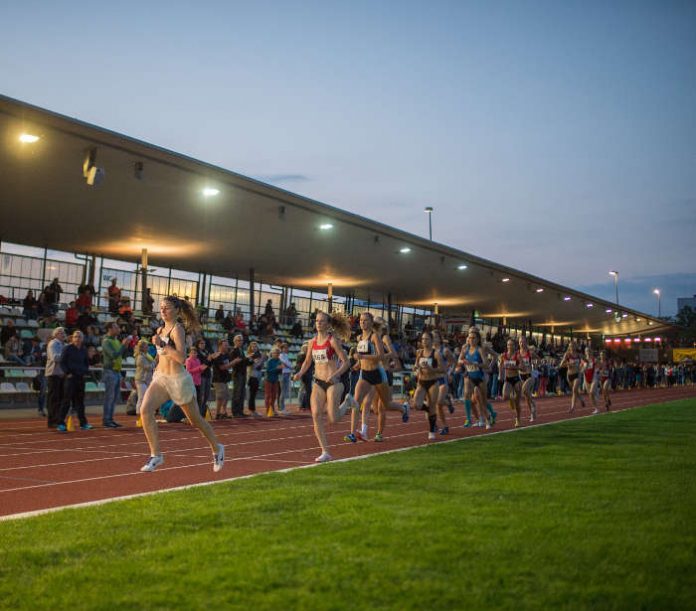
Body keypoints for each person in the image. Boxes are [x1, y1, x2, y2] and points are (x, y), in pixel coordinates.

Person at [139, 296, 224, 473]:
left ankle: (217, 448)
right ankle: (156, 455)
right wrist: (156, 359)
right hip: (161, 378)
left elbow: (181, 358)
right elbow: (161, 355)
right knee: (145, 410)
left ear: (177, 311)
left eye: (167, 308)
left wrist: (163, 345)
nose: (163, 311)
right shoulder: (160, 328)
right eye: (161, 307)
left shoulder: (177, 330)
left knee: (196, 420)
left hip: (178, 380)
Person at [293, 311, 353, 462]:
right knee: (316, 415)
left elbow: (346, 362)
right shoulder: (312, 342)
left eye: (321, 321)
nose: (318, 323)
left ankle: (347, 402)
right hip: (318, 382)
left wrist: (336, 374)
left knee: (333, 419)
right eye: (317, 321)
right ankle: (325, 451)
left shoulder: (333, 341)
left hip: (333, 382)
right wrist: (300, 373)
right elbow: (307, 362)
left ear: (328, 324)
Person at [345, 312, 409, 443]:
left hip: (378, 373)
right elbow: (362, 355)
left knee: (386, 404)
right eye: (361, 320)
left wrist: (363, 358)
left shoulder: (374, 337)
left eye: (366, 320)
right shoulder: (359, 338)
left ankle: (403, 408)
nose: (363, 322)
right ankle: (352, 433)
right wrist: (358, 364)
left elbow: (380, 356)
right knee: (356, 402)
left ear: (371, 323)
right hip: (364, 374)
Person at [457, 326, 497, 429]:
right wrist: (463, 363)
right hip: (470, 375)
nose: (471, 338)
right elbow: (459, 360)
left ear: (478, 337)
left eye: (473, 335)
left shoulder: (482, 348)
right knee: (467, 395)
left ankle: (488, 417)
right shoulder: (465, 347)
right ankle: (470, 419)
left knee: (481, 399)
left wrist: (488, 368)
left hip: (481, 375)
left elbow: (492, 358)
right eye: (470, 336)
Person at [412, 331, 445, 440]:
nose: (424, 341)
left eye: (426, 339)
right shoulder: (420, 353)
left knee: (432, 405)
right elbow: (416, 365)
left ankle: (431, 431)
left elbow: (442, 369)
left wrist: (432, 369)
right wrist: (416, 368)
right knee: (416, 404)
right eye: (422, 339)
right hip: (422, 382)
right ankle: (428, 409)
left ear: (431, 341)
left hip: (432, 382)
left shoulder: (436, 353)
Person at [56, 330, 92, 431]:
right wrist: (68, 373)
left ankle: (83, 423)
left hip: (80, 378)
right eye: (75, 337)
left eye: (79, 337)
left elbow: (86, 363)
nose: (77, 339)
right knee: (66, 401)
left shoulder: (84, 350)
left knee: (80, 402)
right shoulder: (67, 348)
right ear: (72, 338)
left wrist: (84, 372)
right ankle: (61, 423)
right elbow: (62, 362)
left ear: (82, 339)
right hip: (70, 379)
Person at [45, 327, 66, 429]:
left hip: (61, 375)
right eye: (61, 333)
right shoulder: (53, 344)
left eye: (64, 333)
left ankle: (58, 419)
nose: (64, 334)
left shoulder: (62, 345)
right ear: (56, 334)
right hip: (53, 374)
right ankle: (52, 421)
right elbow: (55, 357)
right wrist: (66, 354)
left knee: (60, 398)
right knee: (53, 399)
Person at [499, 339, 523, 428]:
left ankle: (518, 420)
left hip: (516, 379)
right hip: (508, 378)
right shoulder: (503, 355)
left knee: (517, 402)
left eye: (512, 345)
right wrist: (500, 375)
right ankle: (511, 398)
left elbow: (523, 367)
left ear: (514, 346)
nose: (510, 346)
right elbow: (501, 365)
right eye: (508, 345)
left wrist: (515, 367)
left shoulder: (517, 355)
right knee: (505, 396)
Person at [559, 340, 585, 414]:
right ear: (569, 347)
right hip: (569, 375)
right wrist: (568, 364)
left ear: (576, 347)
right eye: (571, 346)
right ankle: (581, 399)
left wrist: (583, 368)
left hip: (577, 374)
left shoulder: (579, 355)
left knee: (574, 390)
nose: (572, 347)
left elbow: (587, 361)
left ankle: (572, 407)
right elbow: (561, 365)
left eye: (573, 346)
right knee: (575, 390)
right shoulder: (567, 354)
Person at [518, 336, 538, 423]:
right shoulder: (517, 353)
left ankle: (533, 404)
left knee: (524, 390)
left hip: (530, 375)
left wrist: (535, 367)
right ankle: (532, 413)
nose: (522, 344)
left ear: (526, 343)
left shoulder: (530, 353)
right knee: (526, 396)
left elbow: (539, 359)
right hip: (521, 376)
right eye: (520, 342)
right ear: (518, 343)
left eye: (523, 342)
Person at [211, 339, 232, 419]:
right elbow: (222, 367)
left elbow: (227, 366)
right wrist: (234, 362)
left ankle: (223, 412)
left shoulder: (226, 355)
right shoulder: (217, 355)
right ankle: (217, 413)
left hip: (224, 379)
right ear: (220, 346)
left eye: (227, 345)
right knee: (220, 396)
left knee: (226, 396)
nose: (227, 346)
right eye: (225, 345)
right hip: (218, 379)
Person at [133, 339, 154, 416]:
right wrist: (155, 362)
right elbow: (148, 367)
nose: (148, 347)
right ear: (142, 348)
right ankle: (139, 415)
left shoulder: (147, 355)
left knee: (147, 398)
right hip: (141, 380)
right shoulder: (140, 357)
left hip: (147, 379)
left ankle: (146, 413)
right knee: (141, 398)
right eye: (146, 346)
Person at [185, 347, 208, 417]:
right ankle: (191, 414)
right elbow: (188, 371)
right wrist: (199, 368)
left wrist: (202, 369)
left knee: (199, 398)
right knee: (192, 399)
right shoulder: (188, 360)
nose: (194, 354)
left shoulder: (198, 360)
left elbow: (199, 371)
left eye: (195, 353)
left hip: (198, 382)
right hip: (191, 382)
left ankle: (198, 414)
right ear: (189, 354)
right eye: (192, 353)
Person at [229, 334, 248, 418]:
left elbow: (243, 362)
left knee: (242, 393)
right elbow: (234, 363)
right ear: (235, 341)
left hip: (243, 373)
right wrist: (245, 359)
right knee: (237, 393)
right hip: (237, 374)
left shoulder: (241, 350)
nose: (241, 342)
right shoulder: (234, 351)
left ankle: (240, 411)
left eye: (242, 340)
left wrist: (249, 359)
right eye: (239, 340)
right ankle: (235, 412)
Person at [246, 341, 264, 417]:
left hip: (257, 376)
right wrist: (262, 359)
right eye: (252, 346)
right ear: (250, 348)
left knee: (254, 394)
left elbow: (260, 367)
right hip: (251, 376)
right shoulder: (250, 355)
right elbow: (256, 365)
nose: (254, 348)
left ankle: (253, 410)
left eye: (255, 346)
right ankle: (252, 411)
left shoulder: (258, 355)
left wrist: (261, 361)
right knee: (252, 394)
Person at [265, 347, 283, 418]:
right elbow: (268, 371)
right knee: (268, 396)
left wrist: (281, 369)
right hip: (268, 380)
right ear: (272, 353)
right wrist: (277, 368)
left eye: (278, 353)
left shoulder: (279, 360)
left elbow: (279, 372)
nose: (276, 354)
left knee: (274, 396)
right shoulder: (269, 361)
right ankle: (268, 410)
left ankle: (272, 409)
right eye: (275, 353)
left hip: (275, 380)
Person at [581, 347, 600, 413]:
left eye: (589, 351)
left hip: (594, 377)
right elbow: (581, 370)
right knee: (590, 394)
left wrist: (597, 371)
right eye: (586, 351)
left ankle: (597, 408)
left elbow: (598, 368)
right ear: (585, 352)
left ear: (591, 352)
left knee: (591, 392)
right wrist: (584, 368)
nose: (588, 352)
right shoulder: (583, 360)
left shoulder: (594, 359)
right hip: (586, 378)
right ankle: (595, 408)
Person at [278, 342, 293, 416]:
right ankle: (281, 408)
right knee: (282, 392)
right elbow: (286, 363)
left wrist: (289, 365)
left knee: (284, 392)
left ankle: (282, 408)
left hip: (287, 373)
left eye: (287, 347)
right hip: (283, 374)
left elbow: (289, 364)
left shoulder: (286, 355)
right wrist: (289, 365)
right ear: (282, 349)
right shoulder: (280, 355)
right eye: (285, 348)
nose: (287, 349)